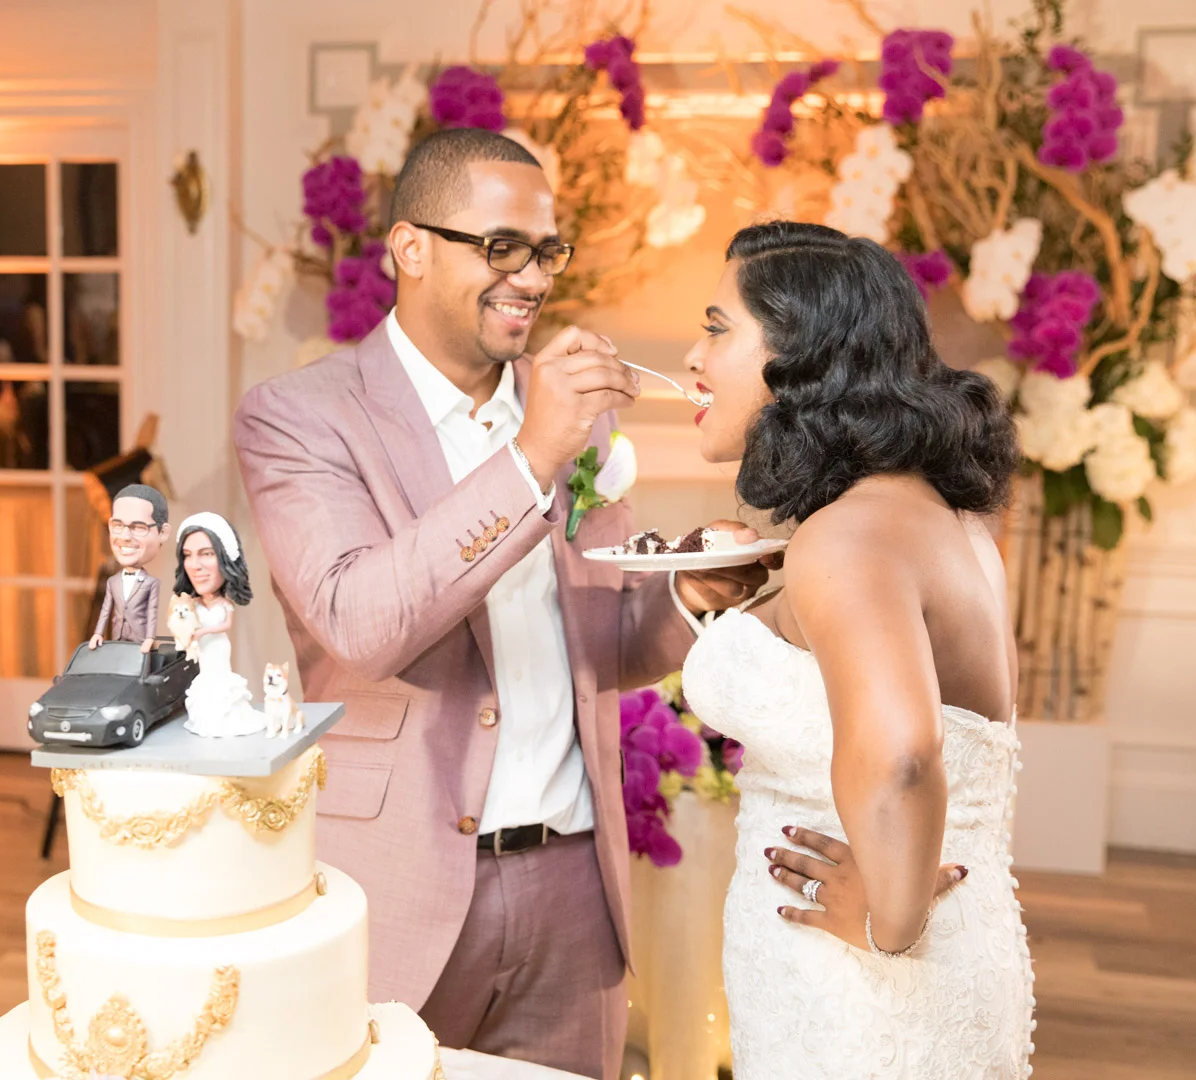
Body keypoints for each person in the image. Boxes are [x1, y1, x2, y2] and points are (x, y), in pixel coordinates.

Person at [233, 128, 769, 1079]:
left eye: (546, 251)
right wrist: (531, 458)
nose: (532, 277)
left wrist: (687, 592)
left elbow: (604, 642)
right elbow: (359, 623)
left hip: (574, 891)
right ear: (409, 249)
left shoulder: (577, 416)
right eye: (500, 247)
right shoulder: (301, 417)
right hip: (394, 888)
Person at [677, 221, 1031, 1077]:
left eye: (717, 329)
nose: (693, 356)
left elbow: (905, 753)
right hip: (934, 961)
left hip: (861, 995)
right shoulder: (939, 515)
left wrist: (889, 923)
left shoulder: (848, 536)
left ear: (799, 355)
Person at [171, 512, 264, 738]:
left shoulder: (224, 604)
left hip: (218, 647)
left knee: (219, 679)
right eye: (187, 555)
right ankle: (207, 718)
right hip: (202, 650)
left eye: (207, 553)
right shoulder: (191, 604)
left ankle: (224, 717)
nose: (195, 565)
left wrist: (203, 631)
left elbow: (225, 625)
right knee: (205, 680)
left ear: (225, 559)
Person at [89, 483, 168, 654]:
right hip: (117, 639)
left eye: (138, 527)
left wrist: (149, 638)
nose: (125, 535)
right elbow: (105, 611)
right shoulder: (112, 580)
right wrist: (97, 633)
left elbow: (151, 612)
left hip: (140, 641)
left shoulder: (150, 582)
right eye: (118, 525)